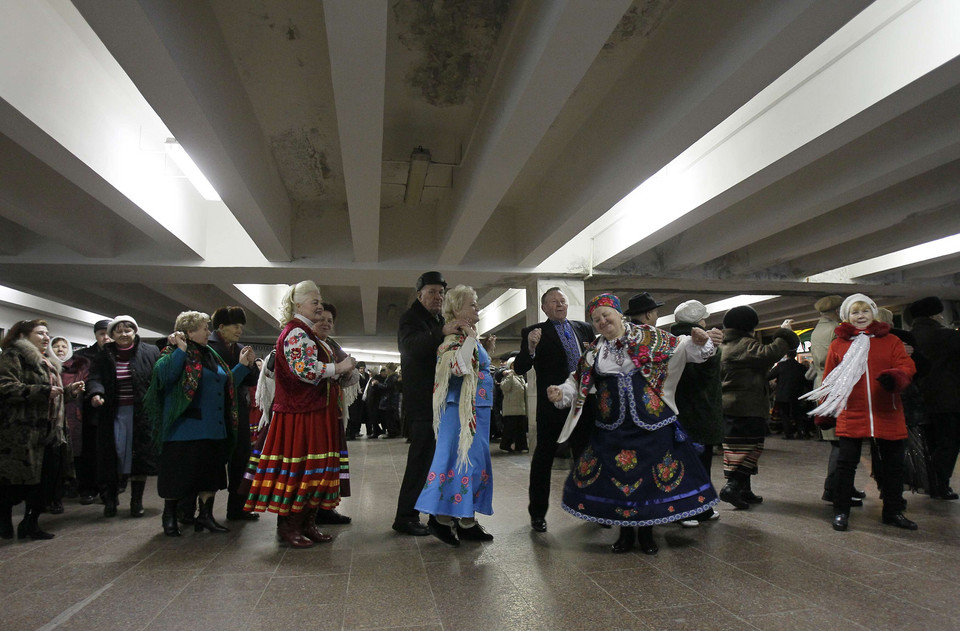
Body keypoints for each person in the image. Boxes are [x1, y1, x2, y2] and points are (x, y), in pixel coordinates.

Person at [547, 294, 722, 554]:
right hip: (613, 429)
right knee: (620, 484)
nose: (602, 321)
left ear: (619, 314)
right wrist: (562, 392)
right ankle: (626, 534)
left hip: (652, 424)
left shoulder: (650, 337)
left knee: (649, 482)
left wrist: (700, 341)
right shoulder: (595, 351)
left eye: (606, 315)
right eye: (596, 319)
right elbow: (578, 380)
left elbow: (684, 349)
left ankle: (648, 534)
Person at [244, 281, 355, 548]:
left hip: (314, 412)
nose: (319, 305)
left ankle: (307, 522)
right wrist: (338, 367)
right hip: (300, 414)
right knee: (300, 470)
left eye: (319, 301)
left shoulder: (307, 334)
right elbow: (304, 370)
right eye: (314, 301)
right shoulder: (295, 333)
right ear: (298, 304)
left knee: (313, 470)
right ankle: (289, 526)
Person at [801, 294, 917, 532]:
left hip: (887, 411)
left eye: (865, 311)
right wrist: (825, 409)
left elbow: (906, 365)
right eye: (855, 312)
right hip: (852, 412)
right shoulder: (838, 344)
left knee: (894, 466)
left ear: (873, 313)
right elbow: (829, 380)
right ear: (846, 317)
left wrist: (898, 377)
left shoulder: (891, 341)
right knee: (845, 465)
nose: (861, 316)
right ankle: (841, 511)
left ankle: (893, 511)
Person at [145, 311, 255, 536]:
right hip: (184, 429)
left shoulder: (211, 354)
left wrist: (243, 366)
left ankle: (205, 516)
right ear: (188, 332)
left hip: (213, 429)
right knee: (178, 476)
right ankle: (170, 516)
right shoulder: (171, 352)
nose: (208, 332)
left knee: (210, 476)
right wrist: (181, 350)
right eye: (204, 328)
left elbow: (224, 382)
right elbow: (165, 377)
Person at [415, 285, 495, 546]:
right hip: (460, 413)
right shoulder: (453, 339)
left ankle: (465, 519)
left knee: (471, 464)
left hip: (476, 411)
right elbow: (458, 367)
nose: (477, 307)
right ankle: (442, 519)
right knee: (456, 462)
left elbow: (474, 366)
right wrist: (472, 340)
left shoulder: (468, 336)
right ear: (457, 309)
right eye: (472, 304)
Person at [514, 287, 594, 533]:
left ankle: (593, 508)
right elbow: (519, 367)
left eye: (563, 301)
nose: (559, 305)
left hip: (584, 405)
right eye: (553, 302)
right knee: (543, 460)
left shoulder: (584, 329)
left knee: (587, 459)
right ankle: (538, 514)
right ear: (544, 308)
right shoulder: (534, 332)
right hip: (552, 408)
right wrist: (530, 348)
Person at [393, 271, 463, 537]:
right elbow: (410, 347)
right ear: (419, 294)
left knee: (437, 460)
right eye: (433, 292)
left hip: (440, 399)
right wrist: (441, 332)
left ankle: (437, 513)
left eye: (441, 293)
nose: (438, 297)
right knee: (421, 459)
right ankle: (405, 516)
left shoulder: (437, 319)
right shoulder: (410, 319)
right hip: (423, 401)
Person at [0, 320, 84, 539]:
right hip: (22, 434)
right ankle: (4, 523)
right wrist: (43, 390)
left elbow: (51, 396)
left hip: (49, 433)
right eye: (40, 333)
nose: (47, 338)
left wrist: (68, 391)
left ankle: (30, 523)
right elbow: (5, 387)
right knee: (13, 484)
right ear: (23, 335)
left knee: (44, 483)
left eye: (48, 333)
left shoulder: (47, 362)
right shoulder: (13, 356)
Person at [718, 306, 799, 509]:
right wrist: (784, 332)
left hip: (731, 407)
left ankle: (744, 490)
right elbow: (770, 353)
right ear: (750, 326)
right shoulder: (744, 344)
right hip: (746, 407)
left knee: (737, 449)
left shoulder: (725, 344)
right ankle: (732, 487)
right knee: (750, 449)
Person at [86, 316, 160, 518]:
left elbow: (158, 379)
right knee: (112, 456)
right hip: (113, 413)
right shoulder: (104, 355)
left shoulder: (150, 352)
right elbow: (95, 377)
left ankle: (136, 502)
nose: (123, 334)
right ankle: (110, 500)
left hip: (141, 414)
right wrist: (96, 393)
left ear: (135, 332)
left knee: (139, 458)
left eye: (128, 330)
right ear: (111, 335)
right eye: (118, 331)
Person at [205, 306, 262, 522]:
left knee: (241, 460)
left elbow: (252, 381)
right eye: (235, 326)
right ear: (220, 327)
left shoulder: (239, 348)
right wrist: (241, 366)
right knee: (211, 462)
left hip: (239, 411)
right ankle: (201, 512)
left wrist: (251, 364)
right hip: (215, 412)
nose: (239, 330)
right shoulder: (208, 347)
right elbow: (220, 384)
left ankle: (238, 509)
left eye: (241, 326)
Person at [670, 300, 723, 527]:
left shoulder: (669, 341)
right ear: (700, 320)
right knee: (698, 464)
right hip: (700, 410)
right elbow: (706, 373)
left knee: (683, 464)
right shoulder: (699, 341)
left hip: (676, 411)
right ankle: (690, 510)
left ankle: (701, 507)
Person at [810, 295, 866, 506]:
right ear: (838, 311)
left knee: (838, 441)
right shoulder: (837, 331)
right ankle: (834, 489)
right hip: (836, 388)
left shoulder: (816, 330)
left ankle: (844, 486)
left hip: (822, 385)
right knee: (841, 442)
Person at [310, 302, 359, 525]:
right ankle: (308, 511)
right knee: (313, 463)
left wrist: (349, 368)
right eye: (322, 319)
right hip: (310, 413)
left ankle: (327, 507)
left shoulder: (332, 345)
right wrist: (338, 369)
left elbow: (351, 377)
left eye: (330, 320)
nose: (326, 323)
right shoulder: (304, 342)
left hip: (332, 411)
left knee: (332, 461)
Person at [907, 296, 960, 500]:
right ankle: (939, 484)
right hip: (948, 399)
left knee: (929, 443)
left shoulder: (909, 338)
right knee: (948, 443)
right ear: (936, 314)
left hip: (919, 399)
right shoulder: (948, 336)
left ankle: (928, 481)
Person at [71, 320, 112, 504]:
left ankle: (108, 489)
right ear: (95, 335)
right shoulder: (83, 356)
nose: (106, 337)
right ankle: (87, 488)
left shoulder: (122, 353)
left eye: (108, 332)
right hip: (90, 409)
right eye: (101, 333)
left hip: (115, 409)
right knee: (90, 452)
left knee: (109, 453)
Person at [48, 336, 87, 513]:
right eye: (56, 346)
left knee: (76, 452)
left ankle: (75, 485)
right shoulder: (46, 366)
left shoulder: (80, 367)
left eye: (64, 346)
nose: (60, 349)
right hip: (53, 417)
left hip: (74, 414)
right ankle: (54, 495)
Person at [768, 349, 812, 440]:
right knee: (797, 414)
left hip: (783, 394)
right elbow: (807, 381)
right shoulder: (801, 367)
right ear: (795, 355)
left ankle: (788, 433)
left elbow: (769, 376)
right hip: (797, 394)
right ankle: (801, 432)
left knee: (785, 414)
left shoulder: (781, 366)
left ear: (786, 355)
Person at [498, 357, 529, 453]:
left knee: (521, 429)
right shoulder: (508, 376)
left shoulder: (521, 377)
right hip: (510, 409)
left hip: (521, 408)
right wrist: (510, 375)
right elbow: (504, 387)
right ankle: (505, 446)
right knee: (509, 429)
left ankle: (521, 446)